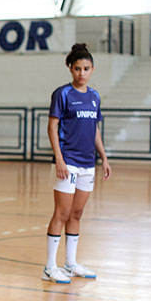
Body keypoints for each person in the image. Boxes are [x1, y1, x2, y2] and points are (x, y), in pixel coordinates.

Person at [42, 43, 112, 284]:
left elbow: (94, 131)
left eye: (86, 68)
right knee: (61, 213)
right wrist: (59, 159)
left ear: (92, 69)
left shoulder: (94, 97)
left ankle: (70, 264)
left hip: (87, 164)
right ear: (70, 69)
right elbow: (52, 127)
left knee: (77, 213)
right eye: (78, 69)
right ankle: (50, 267)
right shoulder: (62, 94)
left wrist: (103, 157)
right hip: (67, 162)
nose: (82, 73)